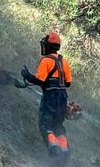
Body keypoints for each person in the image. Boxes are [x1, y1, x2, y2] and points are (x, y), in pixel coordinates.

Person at [21, 31, 73, 159]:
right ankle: (65, 152)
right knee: (58, 126)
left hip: (50, 97)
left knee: (46, 125)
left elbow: (40, 80)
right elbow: (68, 83)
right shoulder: (63, 61)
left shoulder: (46, 61)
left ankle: (55, 152)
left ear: (48, 46)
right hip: (62, 97)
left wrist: (26, 75)